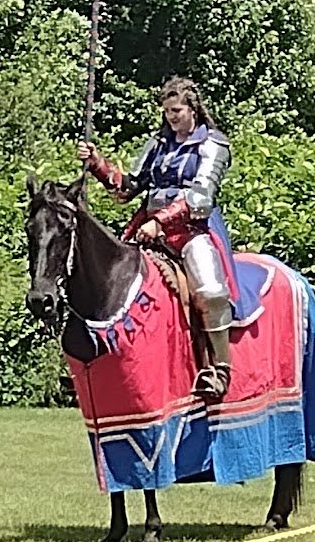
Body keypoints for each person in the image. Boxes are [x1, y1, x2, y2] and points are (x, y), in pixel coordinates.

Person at [77, 75, 247, 400]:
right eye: (168, 111)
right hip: (146, 228)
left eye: (178, 110)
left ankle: (220, 370)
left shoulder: (213, 144)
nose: (172, 116)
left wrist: (161, 222)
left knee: (210, 292)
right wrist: (97, 163)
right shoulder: (158, 145)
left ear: (193, 109)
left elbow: (201, 199)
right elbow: (128, 188)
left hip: (191, 230)